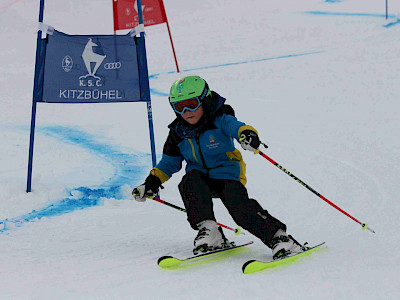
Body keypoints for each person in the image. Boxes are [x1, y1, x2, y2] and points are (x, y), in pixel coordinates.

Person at [132, 75, 301, 259]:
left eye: (191, 103)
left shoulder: (220, 119)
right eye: (179, 107)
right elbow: (168, 162)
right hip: (200, 177)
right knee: (189, 182)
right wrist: (152, 182)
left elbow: (238, 128)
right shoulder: (178, 133)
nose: (187, 111)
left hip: (227, 173)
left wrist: (248, 135)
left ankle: (279, 238)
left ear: (205, 100)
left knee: (239, 207)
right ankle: (210, 231)